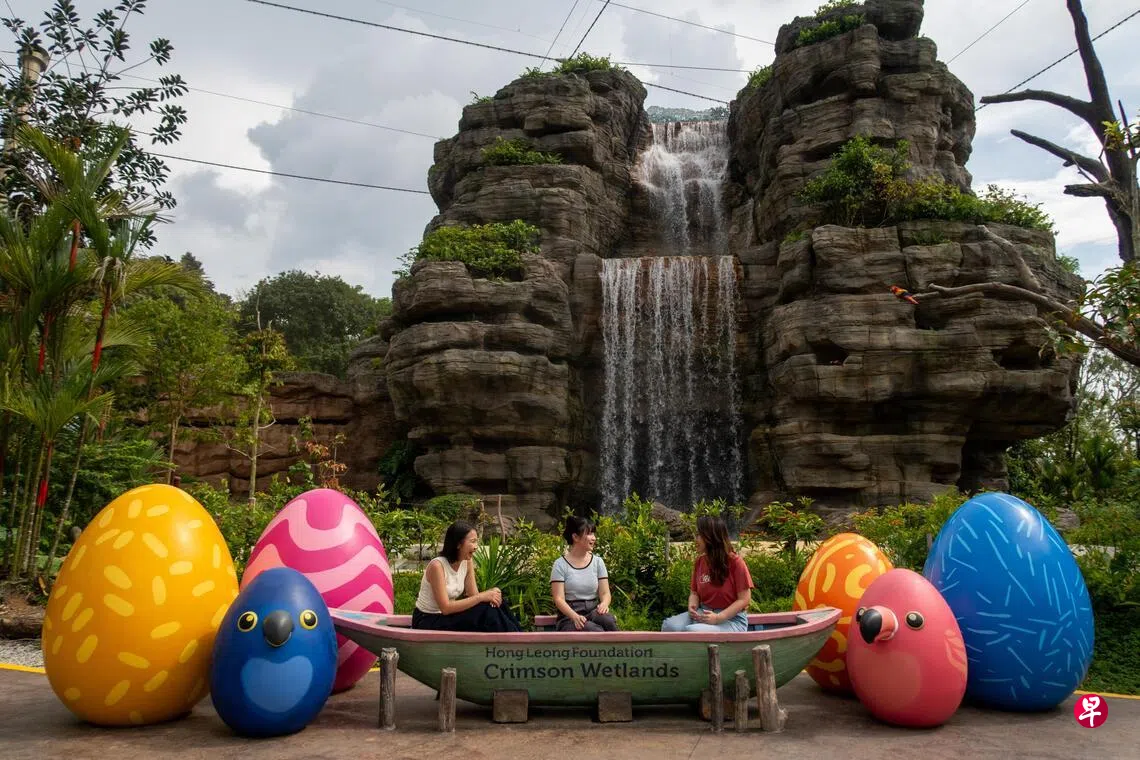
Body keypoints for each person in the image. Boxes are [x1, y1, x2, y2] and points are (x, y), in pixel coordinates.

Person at [412, 520, 522, 632]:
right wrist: (482, 596)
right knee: (487, 611)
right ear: (458, 544)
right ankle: (514, 639)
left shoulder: (467, 562)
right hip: (428, 620)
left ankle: (519, 635)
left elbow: (474, 596)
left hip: (446, 617)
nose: (476, 547)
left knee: (497, 602)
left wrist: (491, 594)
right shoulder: (437, 566)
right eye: (473, 541)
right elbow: (446, 608)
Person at [661, 515, 754, 633]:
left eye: (699, 535)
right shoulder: (699, 562)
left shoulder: (735, 562)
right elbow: (694, 592)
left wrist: (718, 618)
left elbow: (744, 599)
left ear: (711, 537)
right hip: (704, 613)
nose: (696, 539)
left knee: (693, 631)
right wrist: (693, 604)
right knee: (669, 626)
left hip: (731, 620)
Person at [550, 515, 618, 632]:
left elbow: (605, 593)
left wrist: (604, 604)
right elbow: (558, 599)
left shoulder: (598, 562)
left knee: (608, 621)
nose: (594, 538)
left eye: (594, 534)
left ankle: (619, 644)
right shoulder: (560, 564)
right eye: (589, 534)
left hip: (593, 611)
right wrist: (574, 616)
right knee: (593, 629)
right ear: (575, 537)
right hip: (569, 616)